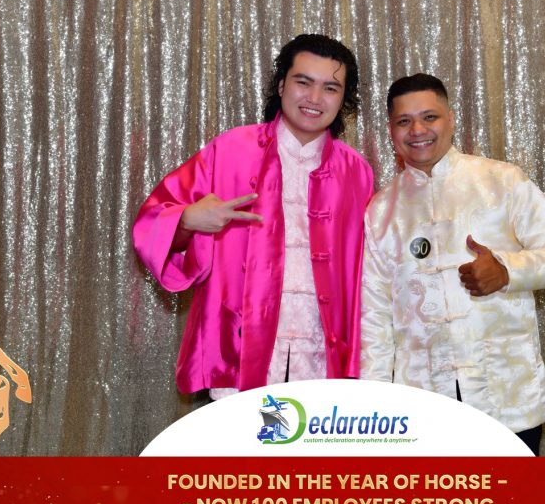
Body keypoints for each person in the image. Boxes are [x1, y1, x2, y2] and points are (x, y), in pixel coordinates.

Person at [133, 34, 373, 399]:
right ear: (281, 85)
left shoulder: (356, 172)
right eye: (303, 82)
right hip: (239, 352)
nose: (314, 98)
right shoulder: (230, 150)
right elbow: (152, 222)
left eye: (330, 88)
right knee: (246, 438)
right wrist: (187, 220)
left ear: (344, 100)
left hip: (323, 358)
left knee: (312, 438)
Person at [360, 74, 545, 455]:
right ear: (391, 130)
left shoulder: (501, 181)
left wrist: (508, 271)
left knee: (515, 495)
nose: (418, 130)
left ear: (450, 119)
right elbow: (375, 317)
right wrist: (378, 407)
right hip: (422, 406)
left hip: (505, 396)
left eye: (429, 117)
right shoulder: (381, 210)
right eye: (404, 121)